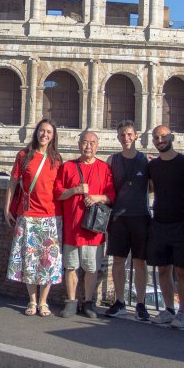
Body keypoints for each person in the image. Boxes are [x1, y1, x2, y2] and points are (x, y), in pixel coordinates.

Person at [5, 119, 64, 317]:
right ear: (36, 132)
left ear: (53, 136)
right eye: (41, 130)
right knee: (29, 261)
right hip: (28, 214)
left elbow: (59, 189)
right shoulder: (24, 155)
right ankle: (31, 301)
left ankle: (43, 301)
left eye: (48, 132)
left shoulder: (56, 158)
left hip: (50, 215)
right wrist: (7, 210)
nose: (44, 135)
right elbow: (12, 184)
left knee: (48, 261)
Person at [55, 130, 115, 319]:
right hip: (72, 227)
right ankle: (71, 302)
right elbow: (58, 193)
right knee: (70, 267)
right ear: (79, 144)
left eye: (92, 143)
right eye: (85, 142)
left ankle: (89, 302)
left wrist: (97, 197)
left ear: (97, 146)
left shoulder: (104, 169)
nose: (88, 146)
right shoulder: (68, 167)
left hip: (93, 230)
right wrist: (75, 190)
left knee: (91, 268)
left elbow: (111, 196)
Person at [146, 124, 184, 328]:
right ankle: (169, 309)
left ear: (171, 137)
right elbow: (149, 188)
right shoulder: (153, 166)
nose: (159, 141)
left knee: (182, 271)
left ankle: (182, 312)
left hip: (182, 221)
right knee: (163, 269)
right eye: (156, 138)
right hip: (159, 220)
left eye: (163, 137)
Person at [104, 120, 152, 321]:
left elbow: (153, 186)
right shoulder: (112, 160)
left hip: (140, 216)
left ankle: (140, 303)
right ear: (118, 137)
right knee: (118, 261)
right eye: (122, 135)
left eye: (129, 134)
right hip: (119, 217)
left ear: (136, 136)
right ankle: (120, 301)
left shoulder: (146, 161)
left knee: (140, 262)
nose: (126, 138)